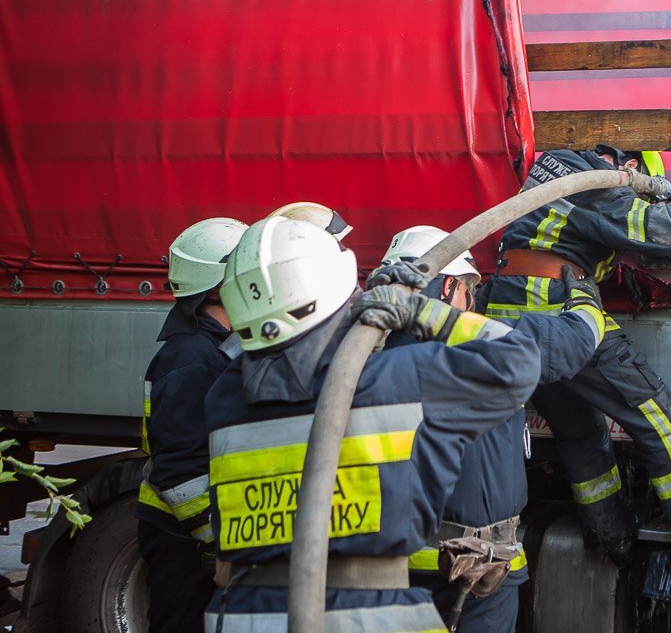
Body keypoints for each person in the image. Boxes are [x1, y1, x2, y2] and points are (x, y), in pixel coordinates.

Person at [202, 216, 602, 632]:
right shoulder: (396, 377)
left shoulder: (224, 397)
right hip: (369, 615)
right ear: (450, 287)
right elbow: (521, 359)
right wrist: (426, 313)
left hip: (241, 615)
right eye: (470, 289)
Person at [480, 146, 671, 561]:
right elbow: (669, 230)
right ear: (632, 168)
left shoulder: (555, 167)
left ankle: (609, 534)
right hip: (555, 311)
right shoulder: (593, 181)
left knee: (580, 430)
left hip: (512, 308)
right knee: (655, 414)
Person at [371, 226, 604, 633]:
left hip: (388, 573)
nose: (472, 302)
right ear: (446, 289)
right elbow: (573, 342)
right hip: (478, 573)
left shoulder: (358, 365)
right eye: (466, 290)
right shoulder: (483, 354)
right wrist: (586, 297)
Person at [136, 216, 247, 633]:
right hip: (182, 537)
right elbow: (180, 469)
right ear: (219, 287)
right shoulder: (191, 359)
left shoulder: (215, 347)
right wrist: (218, 541)